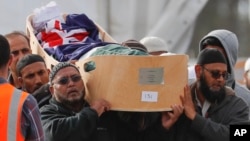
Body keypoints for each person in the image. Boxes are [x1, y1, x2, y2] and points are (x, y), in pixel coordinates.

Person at [162, 48, 249, 141]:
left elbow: (240, 134)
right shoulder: (179, 100)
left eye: (224, 75)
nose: (221, 79)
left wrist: (195, 118)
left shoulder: (237, 105)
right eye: (215, 73)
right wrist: (165, 129)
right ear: (198, 71)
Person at [40, 62, 111, 141]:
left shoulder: (102, 110)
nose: (71, 83)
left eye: (76, 78)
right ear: (52, 90)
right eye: (63, 81)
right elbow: (54, 135)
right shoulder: (45, 113)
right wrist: (93, 112)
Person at [188, 29, 250, 118]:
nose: (213, 59)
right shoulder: (188, 94)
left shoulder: (245, 99)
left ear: (230, 58)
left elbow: (240, 132)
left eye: (218, 55)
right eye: (207, 54)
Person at [0, 34, 44, 141]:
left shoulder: (54, 88)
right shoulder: (24, 101)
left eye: (25, 50)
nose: (21, 57)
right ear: (10, 60)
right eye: (15, 53)